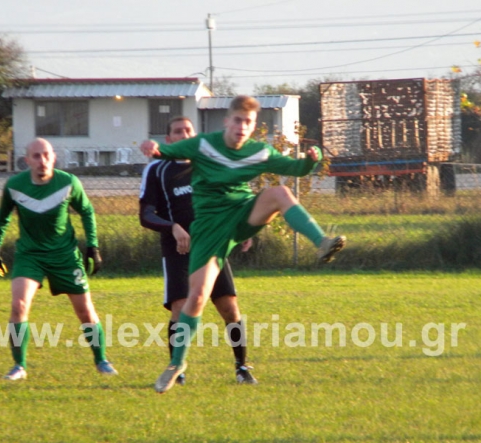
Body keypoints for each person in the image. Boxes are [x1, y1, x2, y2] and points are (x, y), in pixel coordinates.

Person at [140, 95, 346, 394]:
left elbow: (297, 169)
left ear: (253, 126)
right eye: (237, 120)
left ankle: (322, 242)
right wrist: (152, 147)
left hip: (241, 213)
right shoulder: (203, 145)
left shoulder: (259, 151)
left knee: (279, 193)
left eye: (248, 122)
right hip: (210, 228)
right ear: (227, 121)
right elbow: (164, 151)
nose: (242, 127)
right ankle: (177, 364)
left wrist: (312, 158)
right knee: (196, 298)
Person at [139, 116, 256, 386]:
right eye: (177, 132)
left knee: (229, 307)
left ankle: (242, 367)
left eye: (188, 130)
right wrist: (173, 227)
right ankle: (176, 371)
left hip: (212, 245)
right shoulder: (157, 169)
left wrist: (243, 231)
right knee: (180, 308)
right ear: (168, 140)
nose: (184, 135)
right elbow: (145, 214)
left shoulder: (212, 163)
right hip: (177, 248)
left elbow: (235, 199)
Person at [0, 137, 117, 380]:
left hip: (64, 255)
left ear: (54, 157)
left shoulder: (68, 182)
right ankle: (19, 366)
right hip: (30, 254)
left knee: (85, 312)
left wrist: (93, 247)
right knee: (19, 306)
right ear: (27, 161)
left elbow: (87, 211)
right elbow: (2, 216)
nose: (42, 161)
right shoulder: (14, 185)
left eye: (46, 155)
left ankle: (101, 360)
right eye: (36, 156)